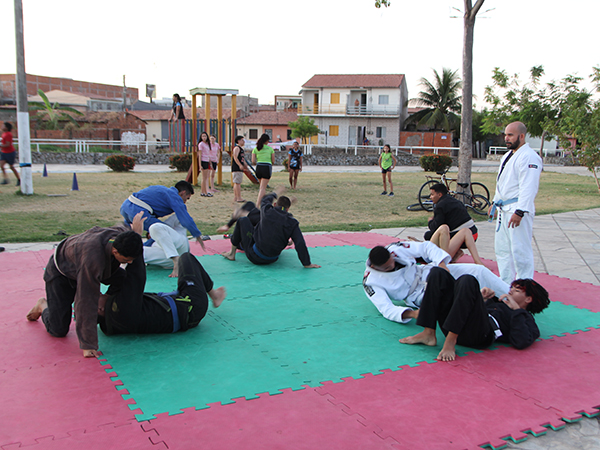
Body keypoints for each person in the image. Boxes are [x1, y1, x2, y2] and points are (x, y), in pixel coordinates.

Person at [26, 213, 145, 358]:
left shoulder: (123, 236)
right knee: (58, 329)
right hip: (62, 273)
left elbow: (130, 237)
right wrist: (88, 344)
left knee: (125, 279)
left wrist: (137, 234)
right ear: (115, 251)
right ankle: (43, 305)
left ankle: (106, 300)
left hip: (97, 265)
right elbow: (86, 300)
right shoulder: (92, 258)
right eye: (127, 260)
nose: (130, 262)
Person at [399, 268, 550, 361]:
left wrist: (517, 310)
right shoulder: (497, 302)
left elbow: (521, 341)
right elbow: (468, 309)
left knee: (468, 280)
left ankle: (450, 341)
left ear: (528, 299)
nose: (510, 291)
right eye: (512, 288)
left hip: (479, 336)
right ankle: (428, 332)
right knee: (438, 274)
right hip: (461, 324)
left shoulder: (525, 317)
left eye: (516, 291)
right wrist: (481, 299)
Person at [363, 242, 510, 324]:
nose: (393, 265)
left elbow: (426, 247)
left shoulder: (395, 249)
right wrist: (414, 314)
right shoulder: (370, 281)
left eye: (392, 262)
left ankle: (513, 297)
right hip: (419, 295)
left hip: (429, 272)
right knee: (454, 296)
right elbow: (386, 309)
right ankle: (487, 303)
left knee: (478, 271)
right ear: (376, 267)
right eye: (389, 267)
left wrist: (442, 265)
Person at [98, 252, 225, 335]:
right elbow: (136, 276)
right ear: (100, 309)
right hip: (193, 308)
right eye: (97, 296)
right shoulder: (122, 308)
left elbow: (120, 278)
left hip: (182, 309)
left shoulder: (111, 317)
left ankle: (212, 294)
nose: (99, 293)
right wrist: (135, 238)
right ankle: (214, 295)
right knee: (186, 258)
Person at [489, 121, 543, 283]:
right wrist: (494, 201)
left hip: (517, 209)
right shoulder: (508, 156)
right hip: (504, 208)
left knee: (520, 249)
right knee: (502, 249)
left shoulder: (529, 157)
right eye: (505, 135)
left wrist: (520, 211)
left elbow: (529, 186)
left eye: (510, 135)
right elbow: (503, 184)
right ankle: (505, 283)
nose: (506, 138)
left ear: (521, 136)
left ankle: (524, 285)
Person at [120, 181, 206, 276]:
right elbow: (185, 217)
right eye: (187, 198)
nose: (185, 201)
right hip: (139, 211)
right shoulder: (174, 196)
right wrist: (197, 234)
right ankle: (136, 252)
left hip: (125, 206)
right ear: (183, 193)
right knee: (157, 229)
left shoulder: (161, 189)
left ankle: (123, 253)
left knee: (127, 236)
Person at [222, 188, 320, 268]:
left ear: (274, 205)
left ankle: (231, 254)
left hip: (255, 256)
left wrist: (275, 193)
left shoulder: (267, 210)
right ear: (288, 209)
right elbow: (300, 243)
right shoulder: (292, 222)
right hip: (273, 258)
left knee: (242, 220)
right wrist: (307, 263)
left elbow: (265, 199)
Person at [424, 183, 483, 265]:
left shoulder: (440, 206)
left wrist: (430, 222)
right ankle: (460, 253)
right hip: (473, 233)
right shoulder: (453, 200)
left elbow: (435, 227)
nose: (430, 197)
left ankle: (454, 254)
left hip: (465, 236)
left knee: (429, 235)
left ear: (440, 194)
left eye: (432, 194)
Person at [252, 133, 275, 205]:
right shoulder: (270, 149)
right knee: (262, 188)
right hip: (267, 167)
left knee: (262, 187)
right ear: (267, 141)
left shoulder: (256, 149)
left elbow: (253, 161)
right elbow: (273, 161)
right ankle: (258, 205)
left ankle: (263, 203)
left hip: (259, 167)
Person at [1, 122, 21, 186]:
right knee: (1, 166)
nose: (2, 126)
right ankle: (5, 179)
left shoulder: (8, 134)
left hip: (10, 153)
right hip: (4, 152)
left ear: (7, 128)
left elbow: (8, 144)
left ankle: (19, 179)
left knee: (11, 167)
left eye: (3, 126)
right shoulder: (4, 134)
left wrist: (0, 145)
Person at [231, 135, 248, 203]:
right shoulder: (237, 148)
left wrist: (245, 166)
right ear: (238, 141)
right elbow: (235, 157)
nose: (243, 142)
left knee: (237, 182)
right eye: (242, 140)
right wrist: (240, 165)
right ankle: (238, 197)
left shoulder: (241, 149)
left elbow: (242, 159)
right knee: (237, 183)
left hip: (239, 167)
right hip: (236, 168)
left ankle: (236, 197)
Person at [197, 131, 212, 197]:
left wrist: (210, 162)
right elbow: (200, 154)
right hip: (203, 160)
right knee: (204, 178)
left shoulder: (207, 144)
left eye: (205, 136)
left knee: (206, 177)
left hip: (207, 160)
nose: (204, 137)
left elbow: (208, 153)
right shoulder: (201, 144)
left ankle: (203, 191)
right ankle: (205, 192)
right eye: (203, 136)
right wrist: (200, 165)